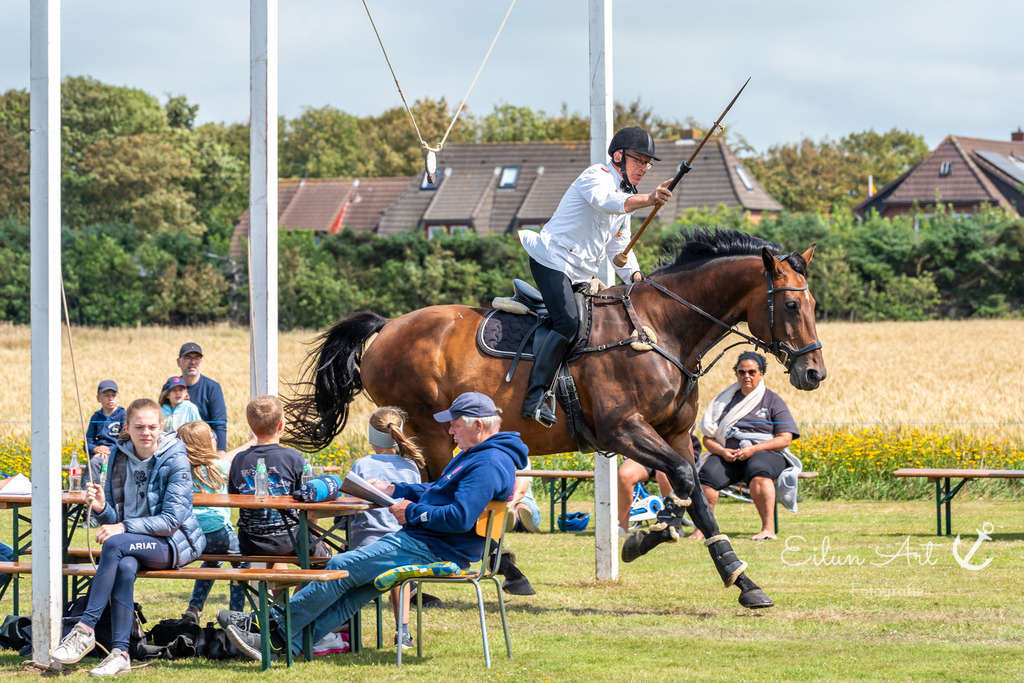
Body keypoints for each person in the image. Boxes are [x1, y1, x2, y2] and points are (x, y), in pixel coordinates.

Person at [220, 391, 528, 663]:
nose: (450, 430)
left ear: (477, 425)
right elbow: (441, 491)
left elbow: (460, 517)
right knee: (357, 588)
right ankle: (288, 643)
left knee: (340, 566)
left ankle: (267, 625)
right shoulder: (479, 457)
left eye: (455, 424)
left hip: (431, 547)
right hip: (429, 544)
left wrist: (413, 513)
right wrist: (398, 489)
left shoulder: (487, 463)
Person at [517, 126, 673, 426]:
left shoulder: (626, 196)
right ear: (618, 156)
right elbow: (606, 202)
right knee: (569, 322)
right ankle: (535, 398)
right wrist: (649, 199)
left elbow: (619, 248)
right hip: (552, 259)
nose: (643, 168)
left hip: (579, 272)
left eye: (647, 163)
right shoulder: (596, 176)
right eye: (638, 160)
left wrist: (637, 279)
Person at [50, 398, 206, 676]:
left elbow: (170, 522)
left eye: (152, 427)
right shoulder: (118, 456)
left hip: (172, 543)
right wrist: (101, 508)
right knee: (122, 565)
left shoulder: (176, 458)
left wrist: (121, 528)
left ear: (161, 427)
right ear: (127, 427)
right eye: (139, 427)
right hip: (132, 545)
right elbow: (114, 519)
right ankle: (120, 653)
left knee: (115, 543)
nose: (146, 432)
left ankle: (85, 629)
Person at [692, 352, 802, 541]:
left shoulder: (772, 400)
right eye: (741, 372)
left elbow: (785, 438)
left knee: (759, 469)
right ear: (736, 374)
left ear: (761, 374)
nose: (746, 376)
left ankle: (767, 529)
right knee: (706, 475)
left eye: (752, 372)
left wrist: (753, 449)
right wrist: (722, 451)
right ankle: (702, 529)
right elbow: (707, 439)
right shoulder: (723, 402)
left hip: (766, 453)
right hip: (730, 454)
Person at [348, 406, 425, 651]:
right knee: (400, 575)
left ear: (371, 435)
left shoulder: (361, 465)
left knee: (343, 564)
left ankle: (346, 632)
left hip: (367, 543)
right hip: (404, 542)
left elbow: (349, 506)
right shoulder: (411, 467)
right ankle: (403, 631)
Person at [227, 395, 328, 560]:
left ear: (251, 426)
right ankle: (300, 587)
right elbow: (309, 504)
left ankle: (278, 586)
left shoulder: (239, 459)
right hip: (289, 541)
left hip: (249, 542)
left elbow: (234, 496)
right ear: (282, 424)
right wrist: (316, 534)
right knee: (324, 559)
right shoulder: (293, 458)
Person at [178, 421, 248, 626]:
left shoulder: (180, 470)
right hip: (218, 534)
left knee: (212, 562)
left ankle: (194, 608)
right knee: (242, 564)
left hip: (188, 536)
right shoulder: (223, 467)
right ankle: (236, 614)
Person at [616, 430, 700, 535]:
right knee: (624, 475)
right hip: (646, 448)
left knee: (663, 473)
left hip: (676, 448)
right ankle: (623, 527)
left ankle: (674, 525)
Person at [175, 342, 228, 455]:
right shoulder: (171, 388)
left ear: (201, 362)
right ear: (179, 362)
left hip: (204, 449)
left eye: (197, 358)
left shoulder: (212, 387)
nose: (193, 362)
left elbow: (219, 423)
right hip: (177, 449)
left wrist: (220, 453)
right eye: (188, 358)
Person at [85, 380, 126, 485]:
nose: (110, 398)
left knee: (94, 462)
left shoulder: (123, 415)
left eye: (113, 395)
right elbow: (87, 442)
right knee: (93, 462)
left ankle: (89, 492)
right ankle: (85, 494)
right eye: (106, 395)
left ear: (118, 398)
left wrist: (108, 450)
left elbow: (125, 440)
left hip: (117, 453)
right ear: (98, 398)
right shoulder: (96, 417)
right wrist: (96, 449)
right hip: (98, 454)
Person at [509, 459, 541, 533]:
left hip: (521, 501)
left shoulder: (521, 459)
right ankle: (514, 523)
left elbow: (520, 492)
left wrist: (506, 508)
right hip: (500, 502)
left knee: (521, 506)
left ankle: (517, 520)